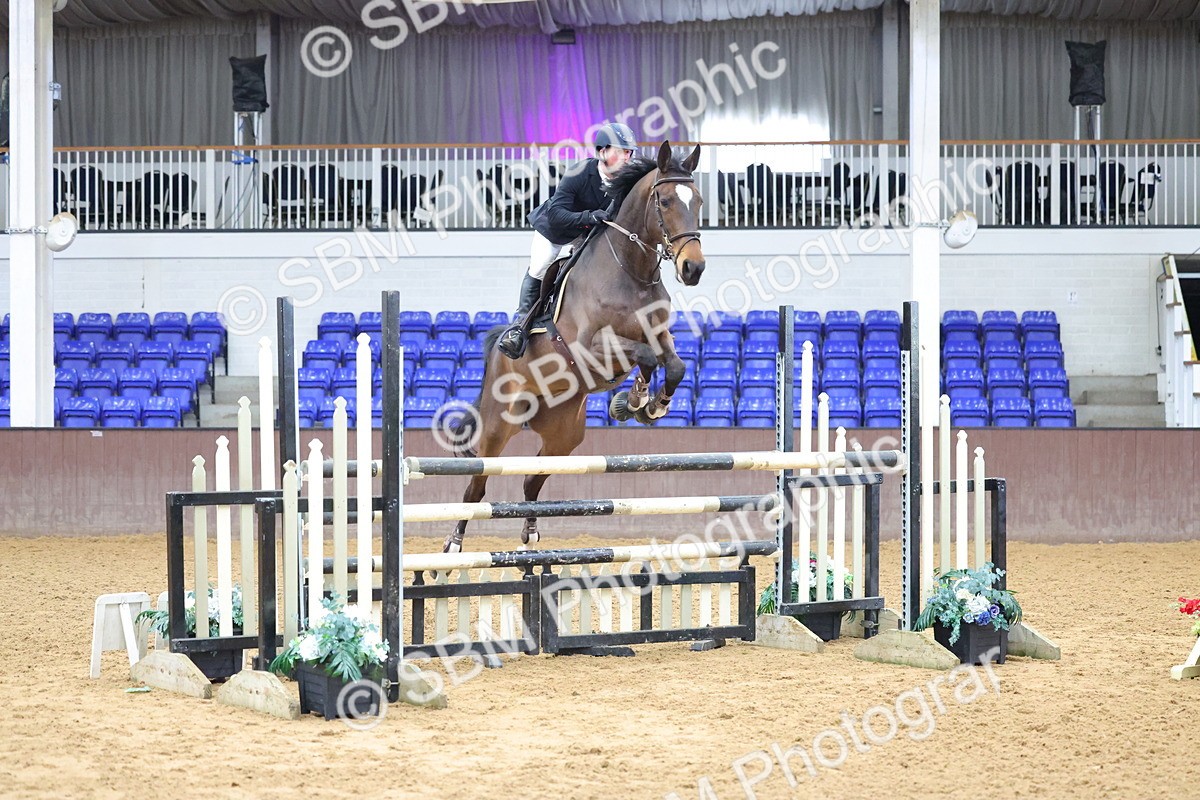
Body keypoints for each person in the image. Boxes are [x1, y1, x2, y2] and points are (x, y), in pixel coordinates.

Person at [496, 122, 638, 359]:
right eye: (621, 151)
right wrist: (589, 216)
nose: (626, 157)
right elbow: (556, 214)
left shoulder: (625, 184)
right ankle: (519, 326)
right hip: (555, 231)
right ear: (602, 152)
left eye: (629, 152)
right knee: (541, 267)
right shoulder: (580, 173)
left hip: (585, 235)